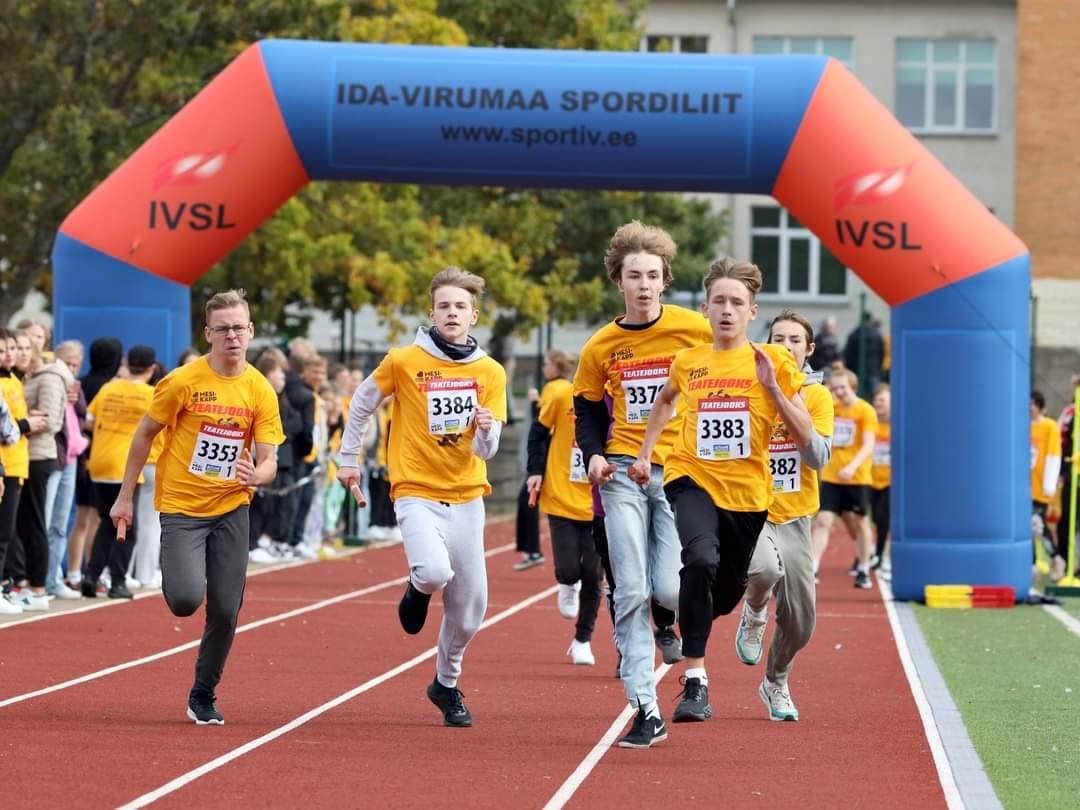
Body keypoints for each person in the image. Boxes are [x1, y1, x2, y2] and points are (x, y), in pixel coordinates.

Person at [630, 258, 807, 730]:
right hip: (690, 477)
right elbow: (664, 402)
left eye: (736, 303)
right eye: (719, 302)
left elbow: (805, 433)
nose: (727, 310)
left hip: (747, 498)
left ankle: (720, 612)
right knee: (699, 558)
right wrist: (646, 454)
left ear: (752, 311)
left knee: (723, 595)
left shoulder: (775, 362)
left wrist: (774, 390)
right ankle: (695, 680)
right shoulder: (689, 361)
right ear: (705, 309)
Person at [336, 267, 507, 728]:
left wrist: (486, 431)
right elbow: (362, 402)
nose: (452, 313)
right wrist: (348, 459)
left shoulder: (490, 371)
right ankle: (417, 588)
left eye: (460, 306)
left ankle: (445, 684)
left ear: (474, 315)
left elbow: (487, 451)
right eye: (444, 306)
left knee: (471, 612)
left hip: (467, 497)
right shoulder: (404, 361)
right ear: (432, 313)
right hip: (415, 490)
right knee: (433, 571)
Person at [109, 290, 284, 724]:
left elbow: (269, 461)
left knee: (225, 609)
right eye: (223, 329)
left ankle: (203, 693)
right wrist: (126, 495)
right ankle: (177, 570)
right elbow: (144, 434)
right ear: (208, 334)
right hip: (182, 507)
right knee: (186, 600)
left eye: (239, 328)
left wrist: (256, 475)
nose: (232, 337)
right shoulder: (182, 382)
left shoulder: (259, 390)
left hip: (231, 506)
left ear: (251, 331)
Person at [573, 221, 713, 749]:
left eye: (653, 275)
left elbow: (732, 364)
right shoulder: (601, 345)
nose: (645, 285)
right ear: (619, 281)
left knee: (670, 588)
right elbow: (586, 406)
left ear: (665, 280)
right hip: (622, 472)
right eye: (635, 276)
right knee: (630, 589)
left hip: (680, 471)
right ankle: (644, 707)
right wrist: (592, 454)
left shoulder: (693, 329)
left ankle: (670, 624)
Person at [733, 310, 833, 722]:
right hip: (750, 507)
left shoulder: (817, 396)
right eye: (779, 338)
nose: (787, 346)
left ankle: (775, 680)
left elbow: (817, 458)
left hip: (794, 515)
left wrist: (787, 400)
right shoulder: (745, 384)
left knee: (802, 621)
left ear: (809, 349)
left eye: (795, 340)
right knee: (762, 569)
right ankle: (755, 611)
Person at [525, 350, 601, 665]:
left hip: (599, 502)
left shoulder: (613, 402)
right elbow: (538, 433)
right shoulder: (560, 396)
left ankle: (583, 639)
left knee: (594, 574)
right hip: (561, 496)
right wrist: (534, 471)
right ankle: (568, 583)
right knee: (569, 569)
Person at [81, 345, 158, 600]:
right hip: (125, 466)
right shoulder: (151, 394)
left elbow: (88, 420)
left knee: (107, 522)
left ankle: (91, 576)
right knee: (127, 527)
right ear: (151, 369)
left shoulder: (109, 388)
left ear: (127, 364)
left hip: (99, 462)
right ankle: (117, 582)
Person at [12, 338, 74, 610]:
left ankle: (37, 588)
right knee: (23, 524)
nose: (21, 353)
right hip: (25, 453)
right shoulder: (28, 377)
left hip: (38, 456)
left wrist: (22, 421)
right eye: (18, 348)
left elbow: (49, 421)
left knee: (36, 522)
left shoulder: (48, 377)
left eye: (27, 348)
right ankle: (27, 583)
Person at [812, 368, 878, 589]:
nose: (839, 392)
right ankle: (812, 567)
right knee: (823, 520)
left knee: (860, 522)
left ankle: (864, 568)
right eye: (835, 388)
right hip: (832, 476)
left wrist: (852, 467)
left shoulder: (865, 411)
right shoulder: (832, 408)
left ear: (853, 387)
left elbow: (868, 444)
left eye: (843, 388)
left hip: (857, 478)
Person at [68, 337, 123, 588]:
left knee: (82, 518)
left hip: (81, 456)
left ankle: (74, 573)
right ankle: (93, 572)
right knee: (95, 519)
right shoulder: (109, 388)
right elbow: (89, 421)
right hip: (96, 458)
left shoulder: (82, 383)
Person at [44, 340, 87, 600]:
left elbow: (82, 415)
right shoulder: (49, 380)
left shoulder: (76, 387)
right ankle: (37, 580)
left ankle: (53, 579)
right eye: (67, 363)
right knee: (45, 520)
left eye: (75, 364)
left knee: (60, 524)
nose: (71, 369)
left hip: (71, 457)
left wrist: (75, 398)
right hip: (52, 457)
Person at [1030, 390, 1061, 571]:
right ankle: (1032, 564)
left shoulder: (1049, 426)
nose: (1030, 408)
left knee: (1037, 524)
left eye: (1033, 403)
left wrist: (1049, 483)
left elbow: (1054, 454)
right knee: (1027, 527)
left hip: (1040, 486)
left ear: (1039, 405)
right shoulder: (1022, 425)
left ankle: (1056, 558)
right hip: (1024, 486)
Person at [870, 384, 892, 579]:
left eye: (883, 400)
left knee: (883, 517)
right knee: (874, 519)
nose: (879, 404)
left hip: (890, 481)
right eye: (876, 400)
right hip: (870, 479)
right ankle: (873, 552)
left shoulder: (897, 424)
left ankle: (881, 555)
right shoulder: (871, 422)